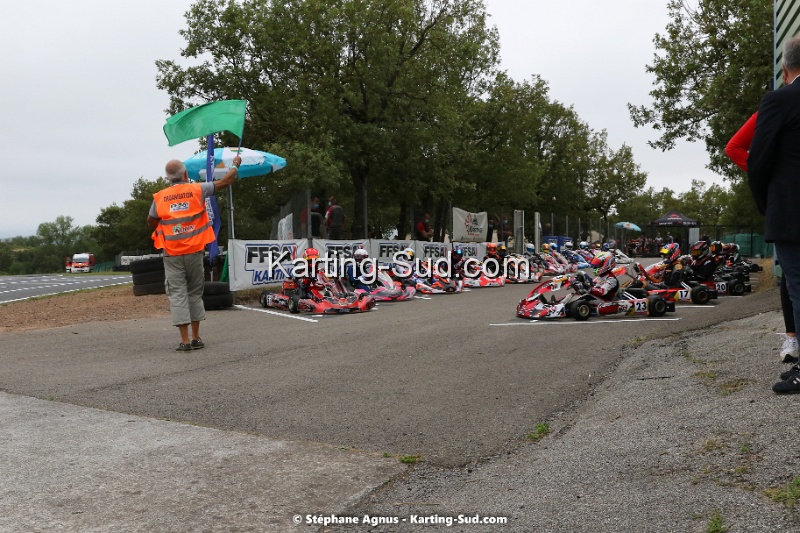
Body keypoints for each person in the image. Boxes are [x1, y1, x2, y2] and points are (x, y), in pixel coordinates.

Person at [147, 155, 242, 351]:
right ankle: (197, 337)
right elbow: (226, 181)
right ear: (186, 174)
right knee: (194, 293)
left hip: (172, 253)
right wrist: (235, 165)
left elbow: (151, 220)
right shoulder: (197, 189)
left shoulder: (160, 197)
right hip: (195, 251)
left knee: (177, 294)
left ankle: (184, 341)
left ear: (168, 178)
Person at [727, 106, 798, 367]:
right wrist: (769, 177)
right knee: (791, 274)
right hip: (787, 200)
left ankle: (792, 338)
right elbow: (734, 147)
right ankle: (792, 337)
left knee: (792, 275)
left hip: (785, 200)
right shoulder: (770, 111)